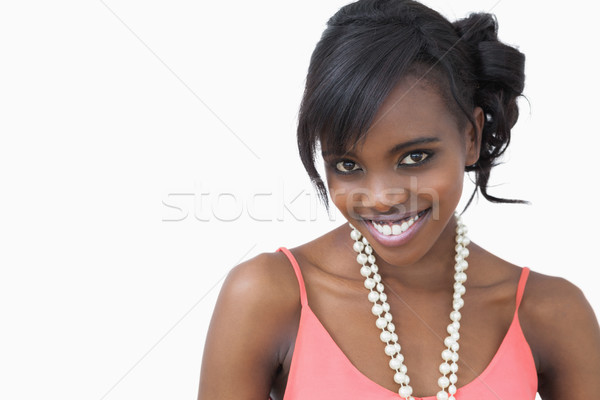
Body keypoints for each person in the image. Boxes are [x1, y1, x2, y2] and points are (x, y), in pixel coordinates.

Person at [197, 0, 600, 398]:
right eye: (349, 166)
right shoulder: (267, 296)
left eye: (414, 158)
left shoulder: (551, 313)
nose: (381, 198)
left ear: (471, 137)